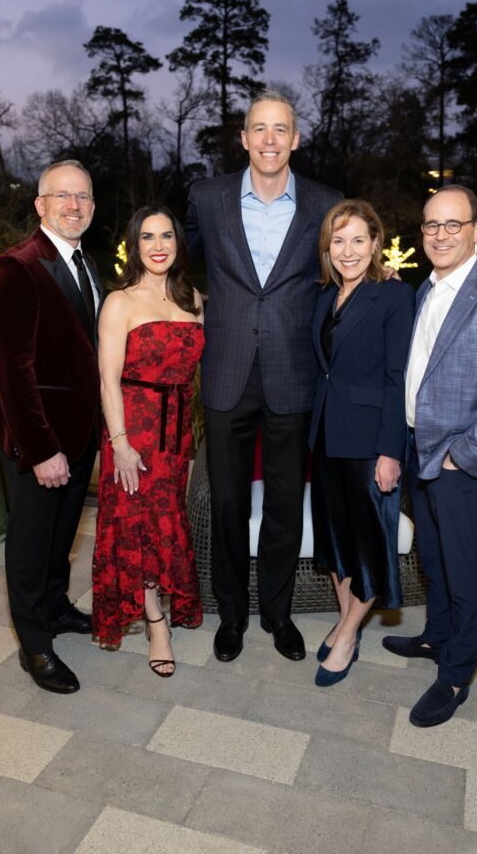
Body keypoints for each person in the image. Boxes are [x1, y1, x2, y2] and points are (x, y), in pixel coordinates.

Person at [186, 89, 341, 662]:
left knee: (282, 502)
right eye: (260, 129)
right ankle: (231, 615)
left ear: (296, 139)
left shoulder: (327, 203)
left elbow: (341, 277)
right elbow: (176, 262)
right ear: (244, 138)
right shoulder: (207, 197)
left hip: (295, 374)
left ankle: (277, 614)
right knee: (226, 501)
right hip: (226, 372)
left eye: (282, 130)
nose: (271, 140)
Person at [382, 184, 477, 726]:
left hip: (460, 465)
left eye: (453, 225)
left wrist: (463, 456)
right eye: (431, 225)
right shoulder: (425, 290)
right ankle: (438, 638)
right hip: (418, 452)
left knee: (467, 572)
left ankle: (456, 676)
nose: (440, 235)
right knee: (436, 560)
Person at [0, 160, 102, 695]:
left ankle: (55, 608)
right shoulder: (18, 267)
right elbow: (13, 372)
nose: (73, 206)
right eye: (62, 196)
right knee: (31, 547)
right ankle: (35, 644)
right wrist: (42, 450)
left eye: (83, 197)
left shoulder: (86, 264)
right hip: (40, 443)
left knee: (60, 540)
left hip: (80, 438)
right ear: (40, 204)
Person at [93, 206, 204, 676]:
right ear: (134, 245)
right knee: (137, 523)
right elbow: (107, 379)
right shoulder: (119, 301)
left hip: (177, 433)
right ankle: (155, 620)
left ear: (178, 243)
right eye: (147, 237)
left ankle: (157, 606)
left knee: (168, 520)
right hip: (133, 429)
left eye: (166, 236)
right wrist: (119, 443)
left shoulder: (195, 299)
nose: (158, 246)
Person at [309, 200, 414, 686]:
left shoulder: (393, 296)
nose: (348, 251)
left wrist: (391, 451)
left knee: (369, 547)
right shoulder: (322, 297)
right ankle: (343, 618)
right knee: (335, 542)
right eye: (338, 240)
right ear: (327, 248)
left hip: (370, 443)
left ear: (375, 243)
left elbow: (399, 379)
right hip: (326, 437)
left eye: (357, 240)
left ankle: (349, 634)